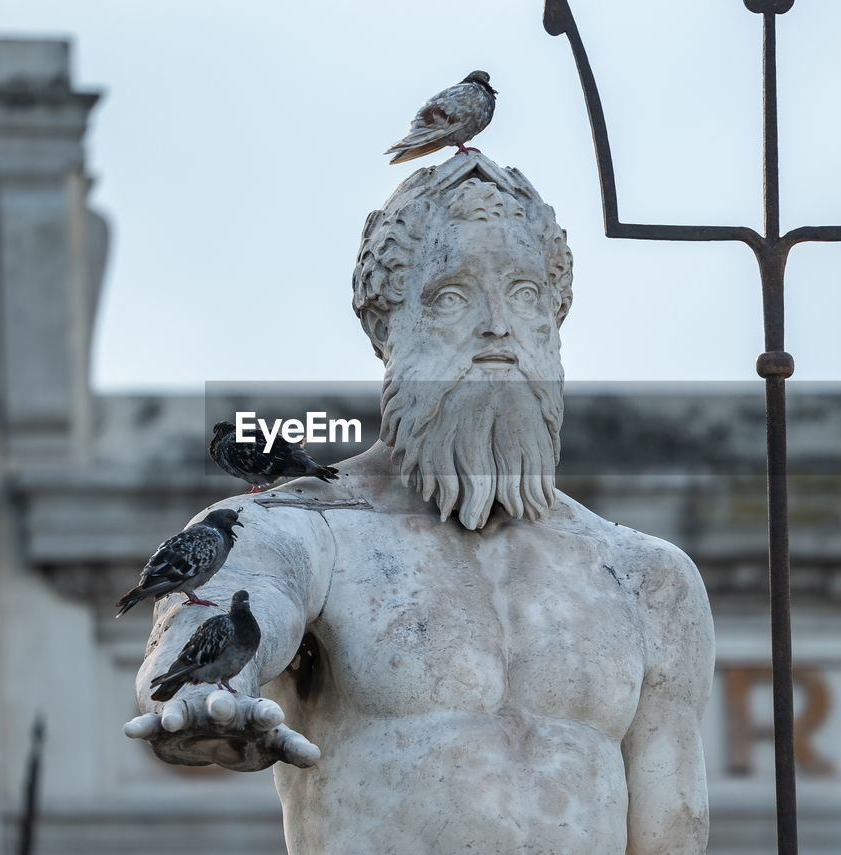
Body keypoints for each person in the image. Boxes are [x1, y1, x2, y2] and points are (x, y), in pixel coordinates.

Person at [125, 154, 714, 853]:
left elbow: (673, 827)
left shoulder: (648, 580)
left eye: (525, 295)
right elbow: (232, 603)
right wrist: (211, 696)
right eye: (453, 296)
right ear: (385, 327)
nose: (499, 326)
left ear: (556, 319)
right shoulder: (301, 532)